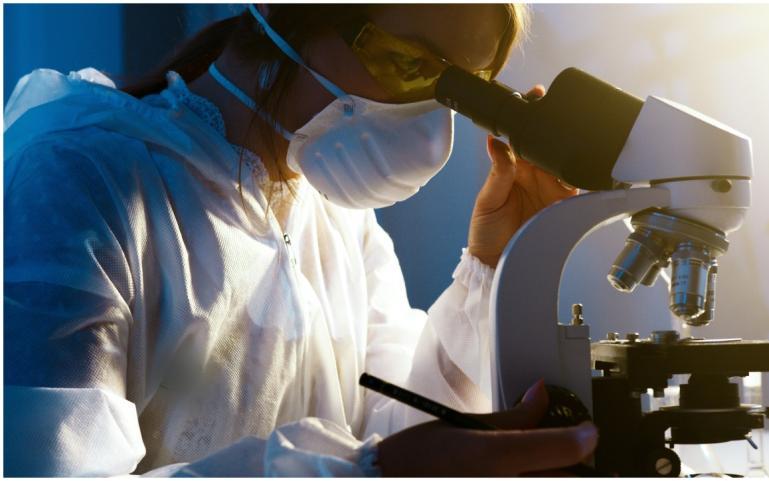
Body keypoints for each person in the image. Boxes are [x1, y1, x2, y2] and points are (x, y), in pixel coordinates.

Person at [4, 3, 596, 476]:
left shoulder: (337, 216)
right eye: (412, 64)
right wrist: (361, 471)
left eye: (464, 92)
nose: (430, 122)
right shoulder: (80, 181)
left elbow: (405, 426)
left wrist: (490, 265)